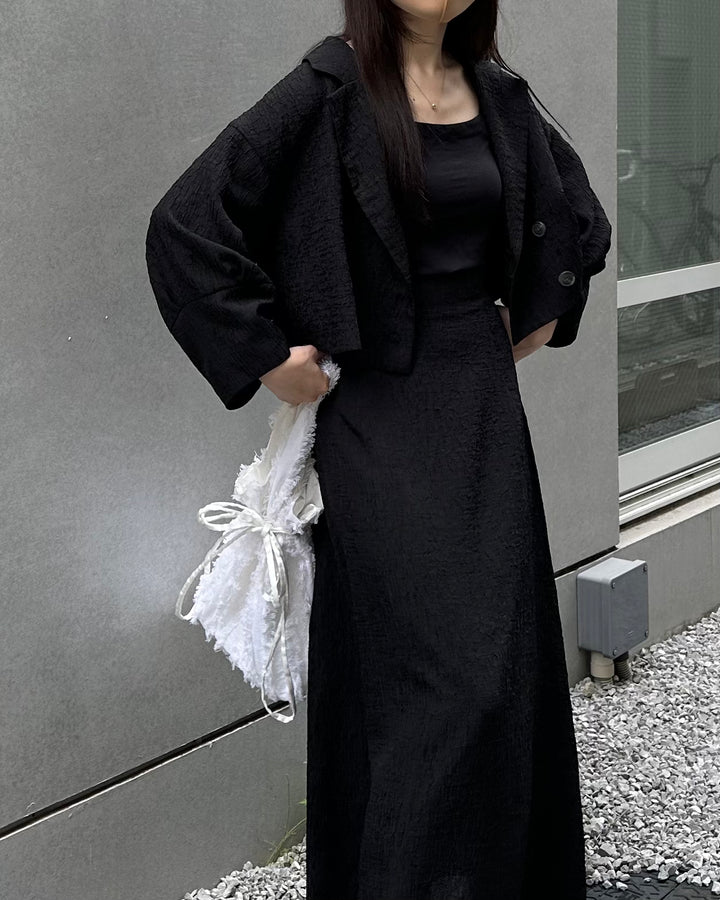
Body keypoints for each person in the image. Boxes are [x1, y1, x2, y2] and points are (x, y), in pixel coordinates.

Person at [145, 2, 612, 897]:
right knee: (447, 684)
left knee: (504, 665)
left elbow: (574, 225)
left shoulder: (498, 94)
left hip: (481, 412)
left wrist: (538, 314)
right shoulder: (329, 87)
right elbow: (186, 224)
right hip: (378, 418)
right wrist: (267, 355)